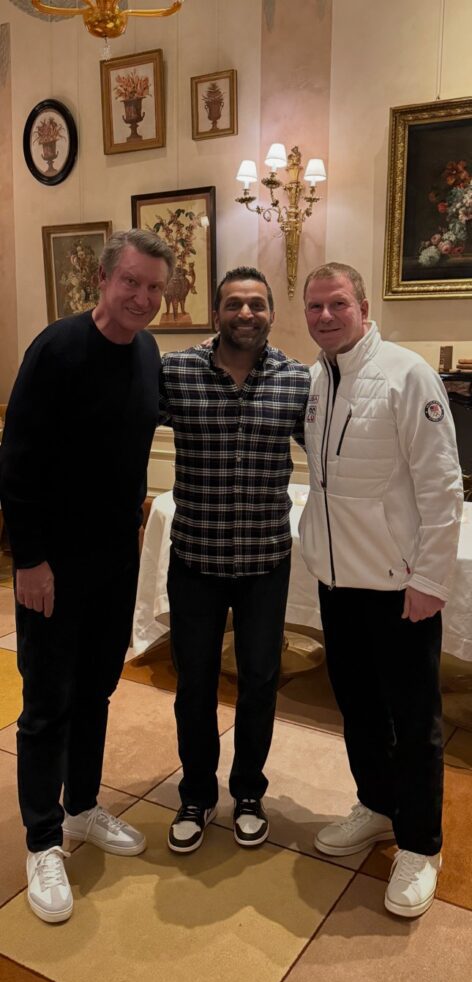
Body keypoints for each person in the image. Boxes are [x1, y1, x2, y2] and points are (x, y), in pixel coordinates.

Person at [0, 228, 174, 923]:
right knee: (48, 700)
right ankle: (42, 838)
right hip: (53, 561)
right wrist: (30, 561)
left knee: (98, 689)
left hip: (113, 556)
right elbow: (16, 462)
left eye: (155, 288)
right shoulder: (58, 349)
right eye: (131, 282)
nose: (142, 298)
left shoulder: (148, 352)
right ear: (101, 280)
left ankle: (83, 806)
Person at [300, 261, 463, 918]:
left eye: (337, 304)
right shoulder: (315, 380)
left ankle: (421, 844)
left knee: (415, 723)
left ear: (364, 308)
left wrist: (429, 580)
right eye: (314, 307)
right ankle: (375, 805)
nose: (324, 316)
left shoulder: (407, 374)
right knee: (359, 710)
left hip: (400, 590)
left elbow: (442, 486)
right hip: (340, 585)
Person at [160, 267, 310, 854]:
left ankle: (248, 791)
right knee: (193, 684)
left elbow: (332, 454)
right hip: (195, 557)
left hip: (265, 562)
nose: (245, 314)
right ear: (216, 311)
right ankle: (196, 794)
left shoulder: (297, 381)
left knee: (260, 681)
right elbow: (117, 431)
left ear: (271, 312)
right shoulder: (175, 372)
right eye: (233, 304)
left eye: (256, 304)